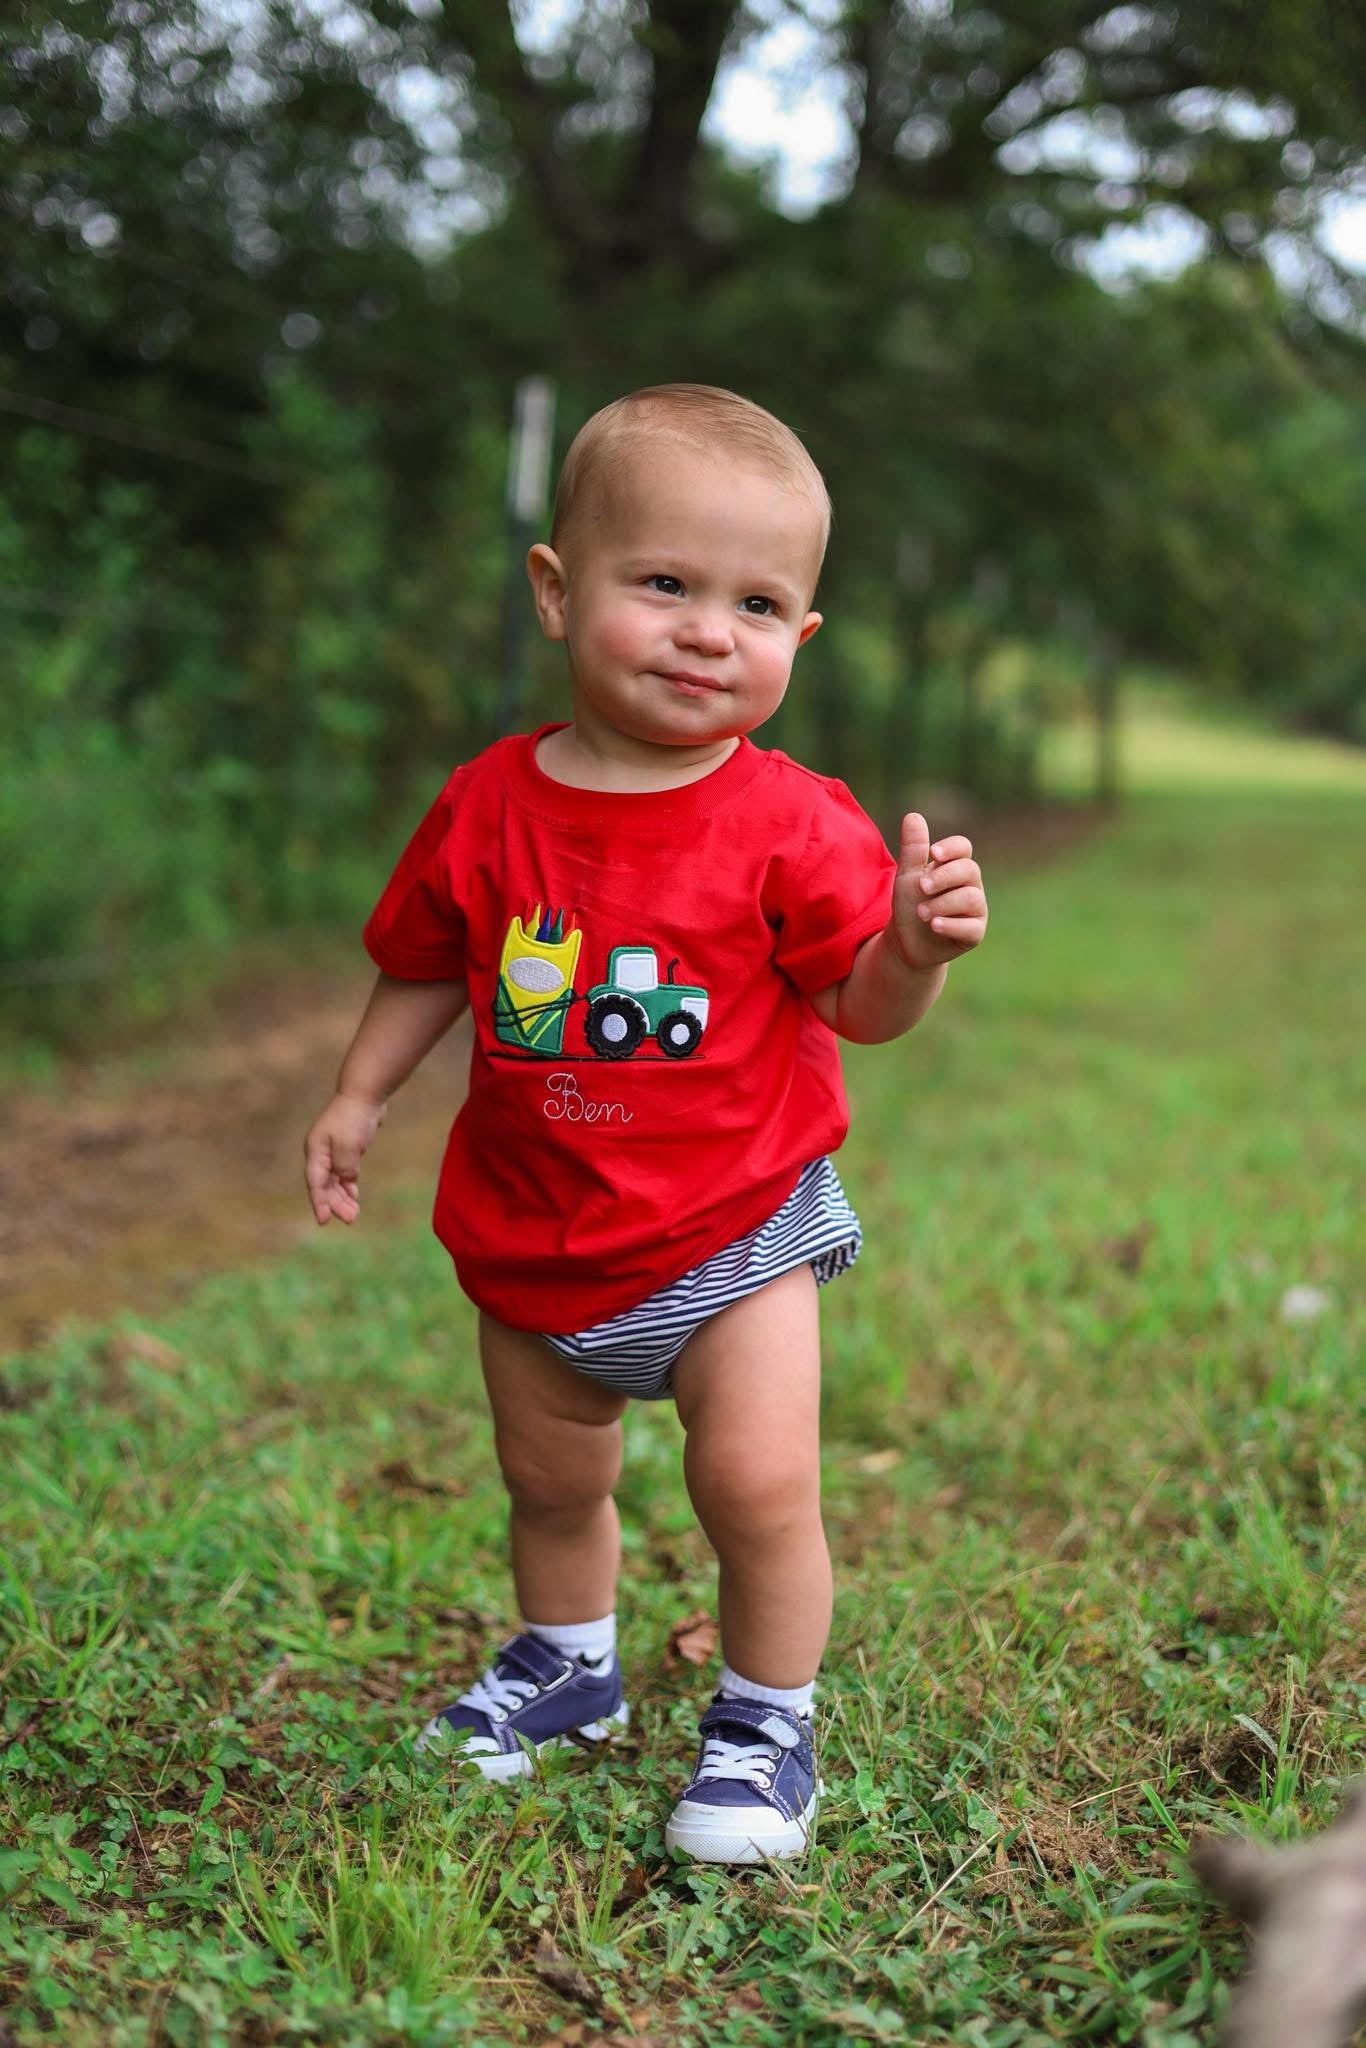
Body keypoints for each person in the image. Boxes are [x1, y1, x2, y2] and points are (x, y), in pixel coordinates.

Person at [303, 384, 988, 1864]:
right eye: (664, 583)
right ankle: (569, 1665)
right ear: (558, 592)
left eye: (756, 605)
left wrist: (912, 951)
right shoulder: (487, 804)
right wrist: (360, 1095)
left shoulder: (795, 823)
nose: (707, 633)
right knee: (551, 1480)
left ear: (800, 637)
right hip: (535, 1235)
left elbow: (858, 1006)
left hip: (735, 1236)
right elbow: (425, 959)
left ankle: (765, 1723)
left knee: (755, 1486)